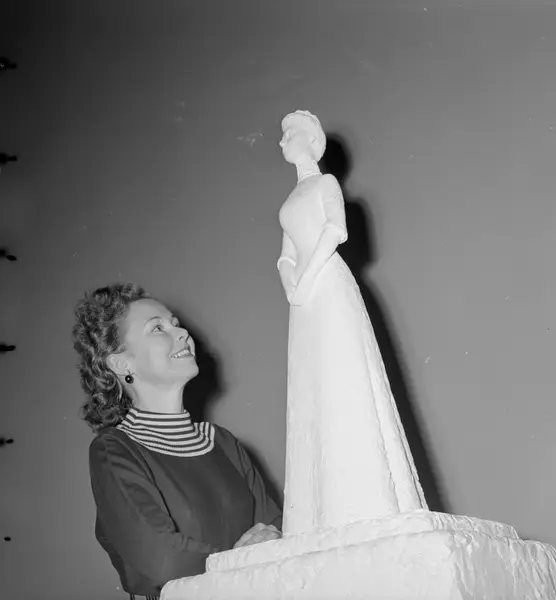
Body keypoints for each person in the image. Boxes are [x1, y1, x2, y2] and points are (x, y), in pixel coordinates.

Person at [72, 284, 282, 599]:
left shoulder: (222, 442)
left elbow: (276, 529)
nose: (182, 333)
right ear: (121, 363)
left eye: (175, 324)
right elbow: (162, 559)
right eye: (157, 328)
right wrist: (242, 559)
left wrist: (267, 544)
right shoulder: (115, 450)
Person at [277, 111, 426, 535]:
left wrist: (306, 280)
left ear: (311, 141)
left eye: (290, 134)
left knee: (343, 377)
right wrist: (291, 285)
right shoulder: (289, 201)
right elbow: (285, 254)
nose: (282, 141)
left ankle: (365, 499)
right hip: (303, 300)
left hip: (326, 286)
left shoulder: (325, 184)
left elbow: (334, 231)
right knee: (311, 384)